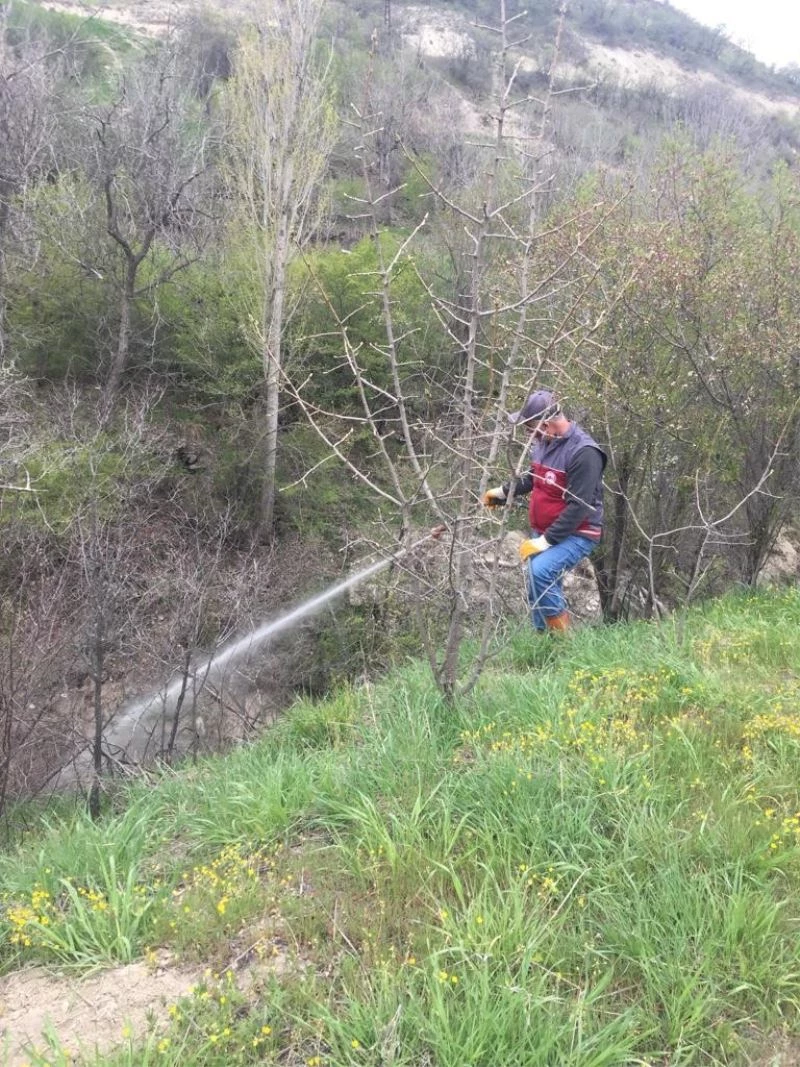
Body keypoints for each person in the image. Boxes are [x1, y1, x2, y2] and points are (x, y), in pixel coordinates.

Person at [483, 390, 606, 632]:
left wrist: (546, 542)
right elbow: (533, 477)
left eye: (531, 427)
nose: (529, 434)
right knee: (537, 584)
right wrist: (501, 493)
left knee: (541, 574)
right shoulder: (544, 443)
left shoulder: (585, 453)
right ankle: (542, 641)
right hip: (546, 530)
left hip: (578, 532)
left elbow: (579, 507)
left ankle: (561, 647)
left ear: (547, 423)